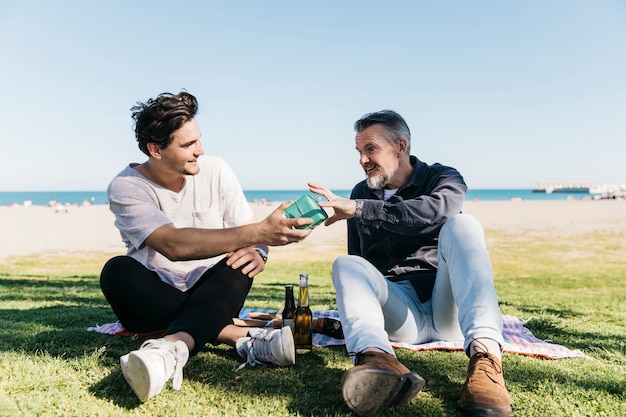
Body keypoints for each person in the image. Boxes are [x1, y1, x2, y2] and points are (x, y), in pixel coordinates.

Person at [100, 91, 313, 402]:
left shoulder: (217, 169)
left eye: (198, 139)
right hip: (153, 299)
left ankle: (170, 350)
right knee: (116, 271)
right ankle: (239, 337)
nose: (200, 150)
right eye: (187, 144)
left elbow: (250, 236)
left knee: (241, 260)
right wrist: (259, 232)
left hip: (213, 292)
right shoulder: (126, 186)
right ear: (156, 149)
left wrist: (260, 249)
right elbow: (172, 245)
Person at [308, 110, 511, 416]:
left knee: (463, 225)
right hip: (403, 316)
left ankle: (486, 361)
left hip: (448, 308)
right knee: (347, 264)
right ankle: (376, 358)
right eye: (359, 152)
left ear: (401, 147)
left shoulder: (443, 178)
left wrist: (363, 209)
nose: (362, 160)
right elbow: (361, 267)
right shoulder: (360, 194)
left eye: (371, 149)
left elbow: (434, 211)